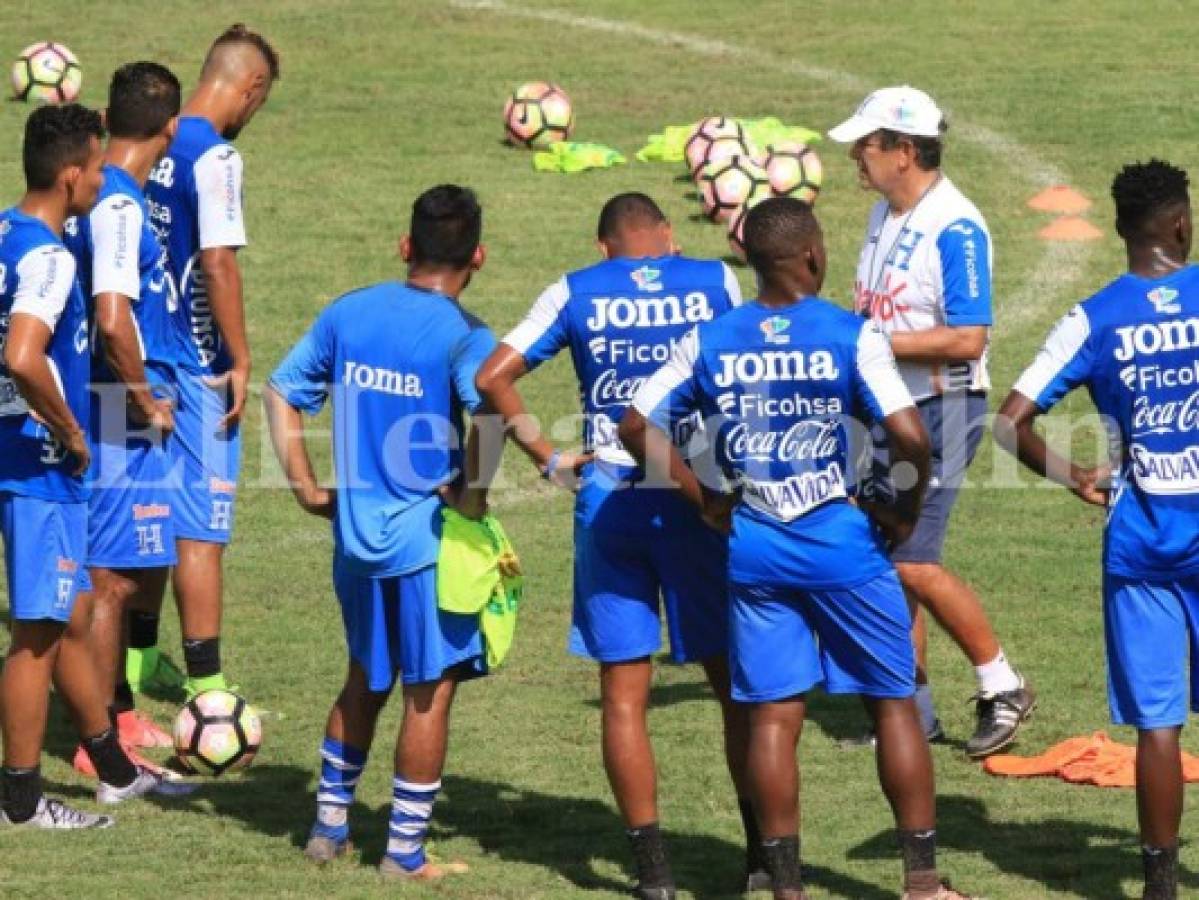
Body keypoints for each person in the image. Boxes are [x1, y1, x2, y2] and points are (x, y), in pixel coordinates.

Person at [620, 197, 971, 900]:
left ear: (749, 261)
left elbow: (635, 425)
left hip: (755, 546)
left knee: (773, 717)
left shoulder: (711, 338)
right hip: (840, 542)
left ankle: (784, 888)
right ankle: (923, 884)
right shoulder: (849, 333)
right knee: (892, 701)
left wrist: (706, 499)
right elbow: (910, 438)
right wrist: (900, 514)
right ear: (811, 256)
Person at [476, 193, 759, 898]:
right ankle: (763, 854)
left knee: (623, 694)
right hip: (697, 498)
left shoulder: (573, 290)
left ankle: (652, 873)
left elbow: (491, 377)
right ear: (666, 237)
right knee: (734, 686)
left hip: (610, 502)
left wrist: (546, 456)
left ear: (602, 247)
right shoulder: (714, 281)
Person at [265, 185, 496, 880]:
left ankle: (327, 826)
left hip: (354, 542)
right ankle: (403, 852)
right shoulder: (466, 335)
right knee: (428, 691)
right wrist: (473, 501)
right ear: (477, 257)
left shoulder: (349, 312)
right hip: (426, 545)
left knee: (364, 677)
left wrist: (305, 485)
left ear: (406, 247)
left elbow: (281, 389)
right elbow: (488, 419)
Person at [995, 159, 1199, 900]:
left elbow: (1009, 421)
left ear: (1120, 231)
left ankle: (1156, 888)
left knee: (1157, 725)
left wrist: (1070, 474)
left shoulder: (1093, 318)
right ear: (1179, 223)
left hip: (1142, 540)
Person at [827, 84, 1034, 756]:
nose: (857, 155)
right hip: (891, 406)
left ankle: (1002, 684)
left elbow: (967, 337)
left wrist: (867, 345)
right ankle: (908, 712)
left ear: (904, 150)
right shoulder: (883, 215)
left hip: (942, 408)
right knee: (887, 558)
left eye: (867, 143)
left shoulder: (957, 227)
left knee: (911, 560)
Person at [0, 104, 190, 830]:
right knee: (39, 633)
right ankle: (20, 800)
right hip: (40, 468)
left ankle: (112, 769)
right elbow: (22, 355)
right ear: (72, 174)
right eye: (94, 171)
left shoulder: (5, 233)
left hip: (15, 457)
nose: (101, 183)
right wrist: (71, 427)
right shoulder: (48, 258)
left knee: (75, 614)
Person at [143, 24, 279, 698]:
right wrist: (241, 356)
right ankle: (208, 691)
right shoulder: (215, 158)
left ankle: (137, 661)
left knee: (139, 512)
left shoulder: (149, 141)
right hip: (193, 365)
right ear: (249, 89)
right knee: (201, 528)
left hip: (129, 360)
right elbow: (218, 262)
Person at [63, 62, 182, 771]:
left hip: (103, 406)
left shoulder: (103, 197)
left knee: (114, 575)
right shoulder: (120, 206)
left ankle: (118, 719)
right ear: (170, 127)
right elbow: (112, 319)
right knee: (109, 580)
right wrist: (143, 399)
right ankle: (100, 739)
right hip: (117, 412)